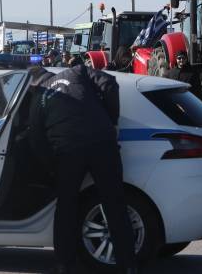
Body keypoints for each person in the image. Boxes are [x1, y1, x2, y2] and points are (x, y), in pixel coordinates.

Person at [27, 65, 137, 274]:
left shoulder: (38, 99)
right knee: (114, 204)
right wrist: (111, 120)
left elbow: (36, 141)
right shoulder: (76, 72)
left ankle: (64, 265)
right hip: (102, 144)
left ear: (32, 85)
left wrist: (52, 168)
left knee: (66, 208)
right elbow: (109, 84)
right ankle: (128, 266)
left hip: (68, 153)